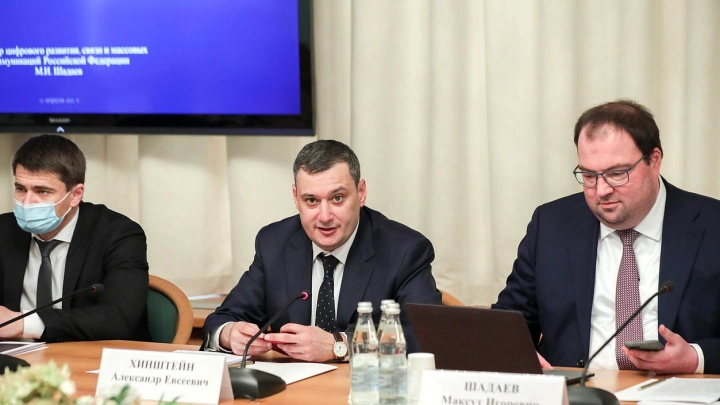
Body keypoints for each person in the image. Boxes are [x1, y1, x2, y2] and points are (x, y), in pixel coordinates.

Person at [493, 100, 720, 374]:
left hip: (678, 389)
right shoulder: (552, 225)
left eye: (616, 174)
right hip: (576, 389)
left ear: (654, 160)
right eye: (589, 175)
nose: (601, 190)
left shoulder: (712, 226)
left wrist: (696, 358)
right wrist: (514, 350)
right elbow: (511, 319)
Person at [202, 139, 441, 362]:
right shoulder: (275, 243)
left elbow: (423, 337)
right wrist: (229, 334)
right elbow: (223, 319)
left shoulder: (404, 251)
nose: (325, 216)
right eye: (311, 201)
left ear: (361, 193)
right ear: (296, 198)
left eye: (337, 198)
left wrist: (339, 346)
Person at [0, 134, 150, 342]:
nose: (27, 202)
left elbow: (118, 319)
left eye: (42, 191)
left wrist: (24, 323)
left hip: (90, 356)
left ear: (75, 194)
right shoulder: (4, 231)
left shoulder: (118, 234)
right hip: (14, 356)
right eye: (20, 189)